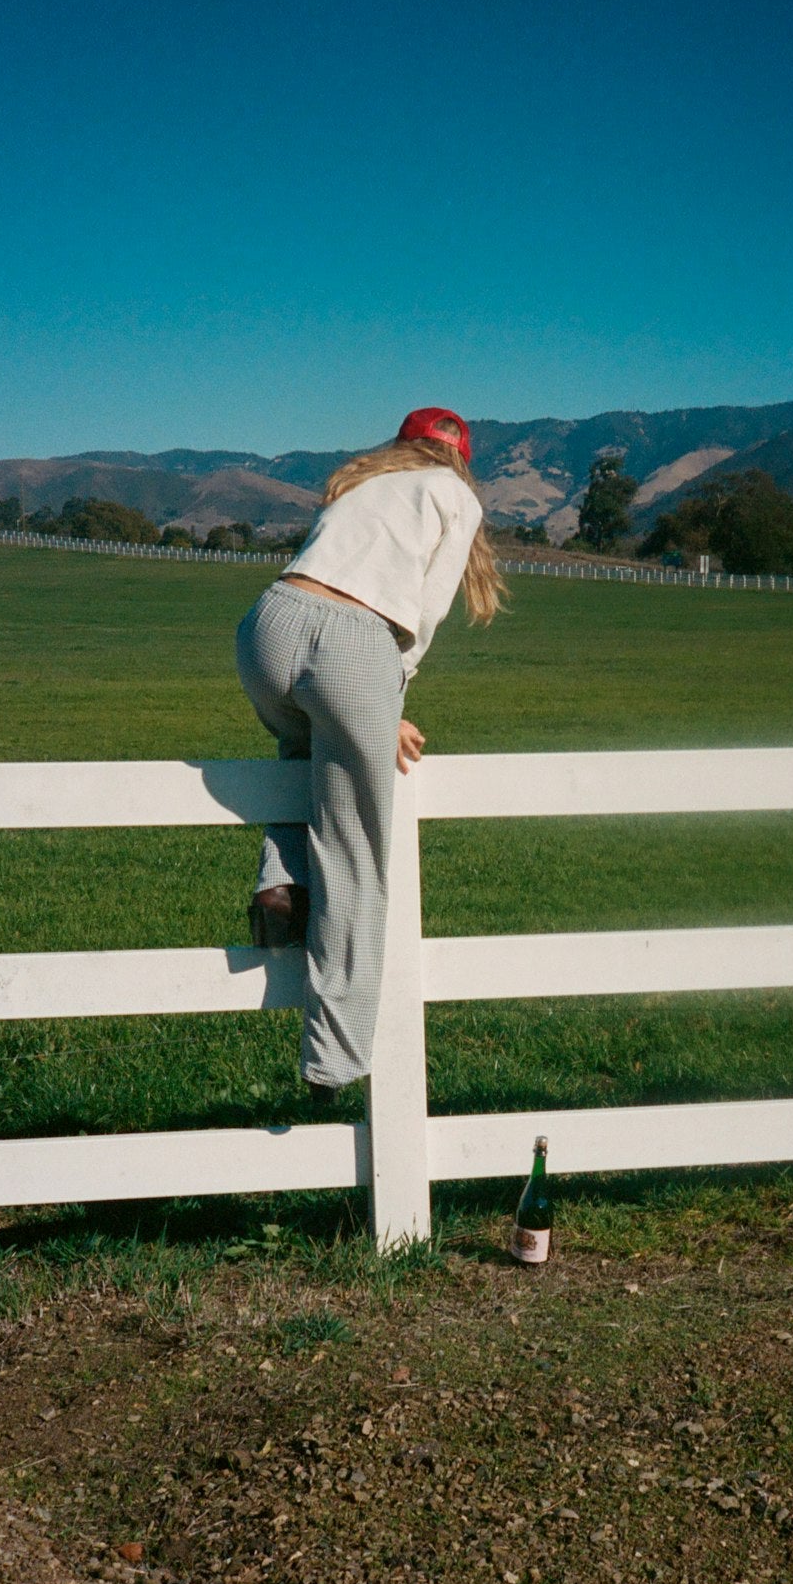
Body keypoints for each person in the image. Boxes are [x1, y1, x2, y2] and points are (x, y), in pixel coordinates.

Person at [235, 407, 505, 1101]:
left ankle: (279, 880)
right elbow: (427, 609)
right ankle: (334, 1060)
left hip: (268, 624)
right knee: (356, 856)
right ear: (461, 458)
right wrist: (390, 700)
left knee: (300, 744)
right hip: (354, 642)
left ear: (402, 446)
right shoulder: (457, 497)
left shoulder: (360, 485)